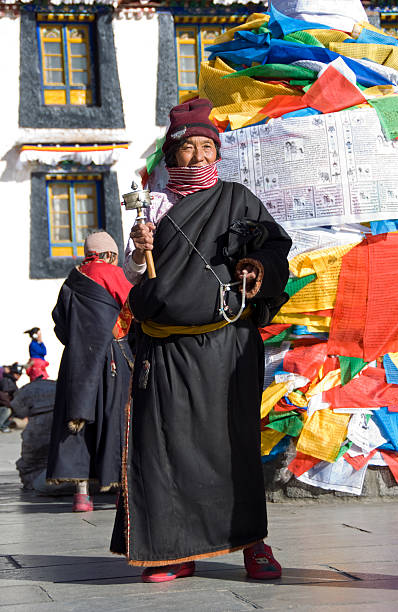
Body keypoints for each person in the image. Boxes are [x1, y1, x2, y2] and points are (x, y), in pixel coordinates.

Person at [110, 98, 291, 582]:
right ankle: (173, 550)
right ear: (172, 156)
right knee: (165, 447)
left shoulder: (238, 199)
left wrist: (257, 267)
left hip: (225, 346)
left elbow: (276, 245)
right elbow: (135, 273)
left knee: (231, 446)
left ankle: (253, 544)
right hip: (165, 348)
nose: (200, 157)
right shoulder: (153, 202)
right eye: (188, 148)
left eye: (207, 147)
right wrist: (137, 251)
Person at [46, 230, 134, 512]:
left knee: (79, 424)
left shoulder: (71, 280)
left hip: (75, 362)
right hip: (110, 358)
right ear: (109, 254)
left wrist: (80, 344)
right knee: (116, 420)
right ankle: (122, 492)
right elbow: (135, 309)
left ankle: (82, 496)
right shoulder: (113, 274)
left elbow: (60, 323)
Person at [12, 360, 56, 489]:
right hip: (57, 423)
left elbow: (18, 410)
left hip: (37, 424)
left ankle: (32, 482)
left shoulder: (27, 389)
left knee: (31, 459)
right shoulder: (56, 385)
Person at [0, 363, 23, 433]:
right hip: (3, 405)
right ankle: (2, 426)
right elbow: (3, 397)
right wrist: (11, 405)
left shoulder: (12, 381)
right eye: (16, 374)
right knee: (8, 410)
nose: (18, 376)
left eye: (19, 374)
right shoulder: (6, 381)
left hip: (6, 403)